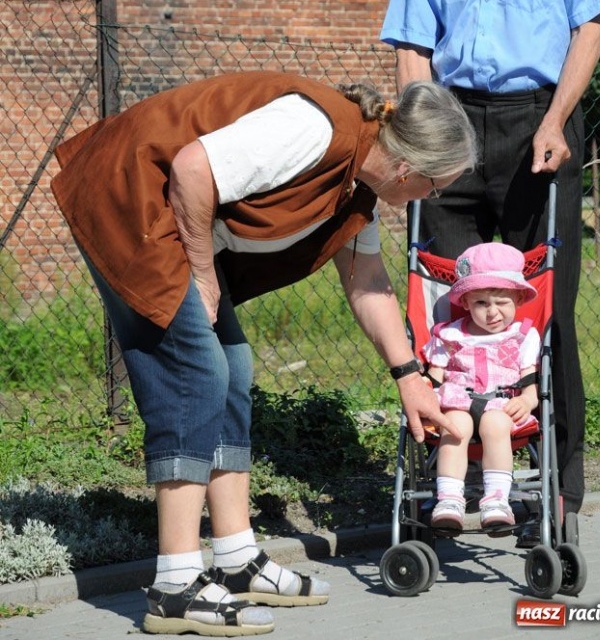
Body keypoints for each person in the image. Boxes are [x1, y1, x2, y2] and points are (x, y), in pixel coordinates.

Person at [51, 70, 476, 637]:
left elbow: (367, 281)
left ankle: (235, 557)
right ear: (408, 168)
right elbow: (192, 168)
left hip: (173, 218)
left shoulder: (359, 187)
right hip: (132, 200)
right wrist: (205, 275)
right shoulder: (315, 129)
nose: (433, 198)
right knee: (196, 374)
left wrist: (408, 376)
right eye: (436, 186)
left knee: (233, 369)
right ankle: (175, 585)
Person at [380, 0, 600, 524]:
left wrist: (556, 119)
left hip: (537, 123)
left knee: (541, 314)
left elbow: (587, 29)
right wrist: (416, 146)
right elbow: (410, 46)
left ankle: (558, 486)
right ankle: (451, 485)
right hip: (452, 127)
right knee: (445, 308)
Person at [423, 242, 540, 535]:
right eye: (481, 303)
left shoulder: (522, 335)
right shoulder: (449, 334)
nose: (492, 313)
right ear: (465, 303)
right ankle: (449, 499)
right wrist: (426, 396)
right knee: (455, 425)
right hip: (457, 400)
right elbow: (435, 376)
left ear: (518, 298)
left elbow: (530, 384)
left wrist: (527, 400)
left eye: (502, 302)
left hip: (502, 402)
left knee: (495, 423)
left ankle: (497, 500)